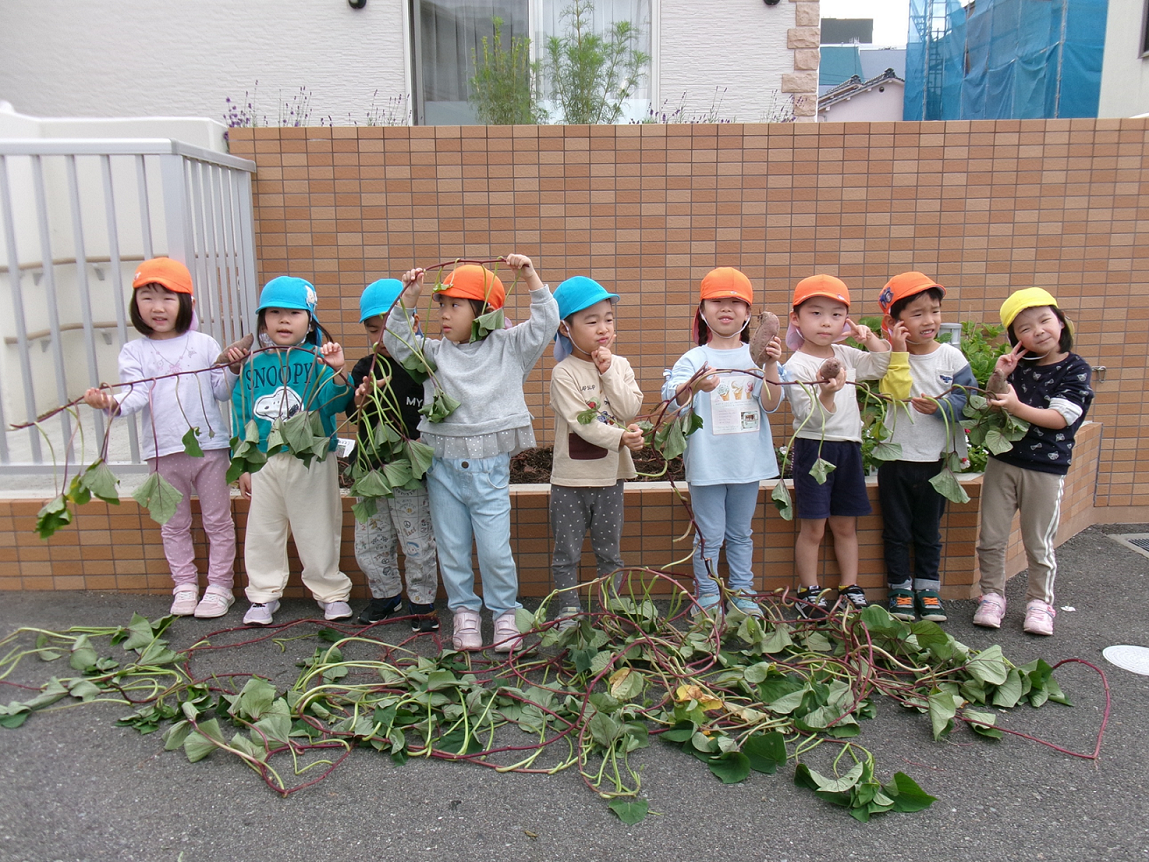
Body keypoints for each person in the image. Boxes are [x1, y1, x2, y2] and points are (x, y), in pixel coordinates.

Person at [384, 255, 559, 652]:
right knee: (452, 548)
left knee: (496, 550)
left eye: (455, 305)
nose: (444, 314)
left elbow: (547, 321)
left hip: (490, 470)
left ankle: (503, 614)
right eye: (441, 305)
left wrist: (529, 276)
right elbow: (397, 343)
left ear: (484, 310)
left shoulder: (510, 347)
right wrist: (408, 299)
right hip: (443, 468)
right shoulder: (433, 353)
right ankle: (464, 612)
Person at [83, 258, 237, 619]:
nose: (157, 307)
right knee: (173, 524)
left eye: (168, 298)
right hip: (161, 453)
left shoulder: (203, 343)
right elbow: (134, 396)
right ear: (136, 305)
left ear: (187, 304)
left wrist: (232, 368)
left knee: (218, 521)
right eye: (147, 298)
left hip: (210, 449)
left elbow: (221, 392)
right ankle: (184, 584)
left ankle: (220, 586)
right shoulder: (134, 352)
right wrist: (110, 402)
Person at [228, 276, 355, 626]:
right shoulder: (252, 364)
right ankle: (262, 595)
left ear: (310, 321)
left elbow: (339, 404)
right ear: (263, 320)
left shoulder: (318, 359)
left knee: (318, 525)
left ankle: (331, 592)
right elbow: (241, 414)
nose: (284, 320)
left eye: (295, 313)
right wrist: (242, 463)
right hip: (264, 459)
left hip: (312, 456)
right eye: (275, 312)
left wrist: (339, 371)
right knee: (263, 527)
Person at [662, 268, 782, 618]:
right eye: (717, 301)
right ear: (702, 311)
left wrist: (772, 364)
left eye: (736, 302)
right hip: (708, 464)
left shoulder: (757, 357)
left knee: (742, 534)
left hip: (747, 463)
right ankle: (709, 597)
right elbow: (673, 401)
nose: (726, 308)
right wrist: (694, 386)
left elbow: (772, 403)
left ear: (749, 313)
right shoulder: (694, 359)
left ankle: (744, 594)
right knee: (709, 536)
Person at [973, 288, 1093, 636]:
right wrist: (1000, 374)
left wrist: (1015, 407)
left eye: (1044, 320)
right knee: (991, 537)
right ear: (1016, 338)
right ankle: (992, 596)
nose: (1038, 331)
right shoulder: (1018, 366)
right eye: (1025, 328)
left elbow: (1061, 418)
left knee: (1038, 541)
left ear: (1060, 321)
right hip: (1003, 462)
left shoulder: (1076, 368)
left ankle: (1040, 603)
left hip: (1046, 467)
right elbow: (994, 399)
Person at [780, 274, 892, 619]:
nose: (826, 322)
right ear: (796, 319)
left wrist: (870, 338)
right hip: (815, 448)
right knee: (813, 525)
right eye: (815, 313)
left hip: (849, 449)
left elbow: (884, 365)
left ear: (846, 320)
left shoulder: (847, 353)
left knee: (846, 524)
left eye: (836, 314)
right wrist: (827, 391)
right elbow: (811, 418)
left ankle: (849, 585)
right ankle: (809, 589)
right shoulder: (795, 366)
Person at [876, 272, 976, 623]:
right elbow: (893, 393)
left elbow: (972, 403)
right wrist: (898, 350)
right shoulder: (887, 356)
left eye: (934, 311)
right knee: (897, 528)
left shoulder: (951, 358)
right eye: (917, 314)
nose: (929, 321)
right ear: (895, 322)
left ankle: (928, 588)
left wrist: (944, 408)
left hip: (937, 460)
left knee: (929, 529)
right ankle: (900, 587)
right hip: (896, 458)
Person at [548, 276, 644, 624]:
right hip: (570, 480)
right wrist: (620, 439)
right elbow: (582, 423)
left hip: (609, 478)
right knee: (567, 552)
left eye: (608, 318)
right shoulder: (563, 373)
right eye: (591, 321)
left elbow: (629, 409)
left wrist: (608, 373)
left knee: (609, 551)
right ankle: (569, 611)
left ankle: (611, 610)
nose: (603, 328)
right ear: (565, 327)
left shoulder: (620, 366)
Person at [349, 278, 440, 631]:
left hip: (410, 470)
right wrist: (363, 397)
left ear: (412, 323)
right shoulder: (365, 368)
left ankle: (422, 602)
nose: (381, 337)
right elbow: (355, 415)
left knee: (416, 540)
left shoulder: (425, 369)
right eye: (374, 330)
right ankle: (385, 595)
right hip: (370, 468)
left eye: (389, 327)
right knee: (370, 541)